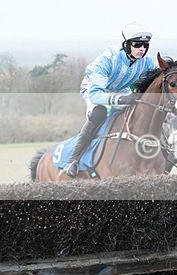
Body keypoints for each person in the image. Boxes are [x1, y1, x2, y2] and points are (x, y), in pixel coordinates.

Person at [62, 22, 156, 178]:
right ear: (127, 45)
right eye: (137, 44)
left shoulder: (147, 62)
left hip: (121, 89)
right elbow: (95, 95)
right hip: (95, 89)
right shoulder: (108, 58)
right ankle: (73, 160)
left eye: (145, 45)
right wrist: (121, 99)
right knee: (99, 113)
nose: (142, 49)